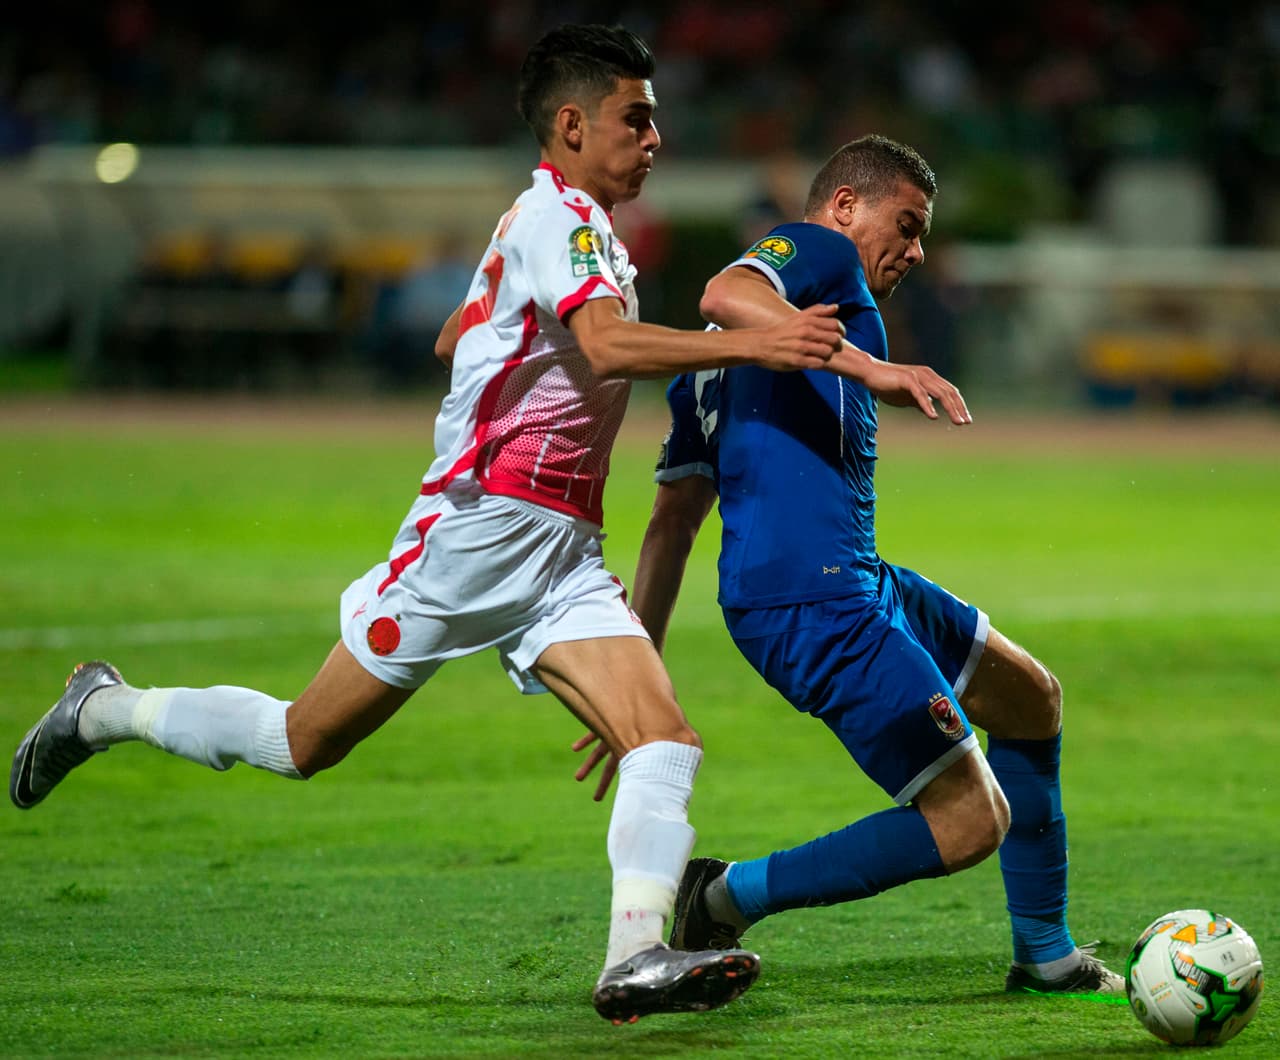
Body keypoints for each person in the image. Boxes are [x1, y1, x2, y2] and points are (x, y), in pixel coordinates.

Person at [8, 24, 852, 1025]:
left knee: (660, 738)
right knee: (300, 740)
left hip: (559, 553)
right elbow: (605, 345)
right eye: (637, 116)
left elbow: (479, 326)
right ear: (573, 125)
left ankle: (635, 956)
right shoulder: (561, 220)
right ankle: (105, 709)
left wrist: (479, 334)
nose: (654, 136)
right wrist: (756, 347)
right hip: (474, 537)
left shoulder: (564, 223)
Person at [574, 134, 1124, 996]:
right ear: (842, 207)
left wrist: (628, 672)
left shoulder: (704, 371)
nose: (914, 251)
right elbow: (729, 287)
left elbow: (672, 523)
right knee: (970, 820)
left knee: (1029, 697)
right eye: (905, 226)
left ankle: (1045, 954)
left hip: (850, 580)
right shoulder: (821, 253)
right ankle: (718, 896)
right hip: (812, 604)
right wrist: (881, 369)